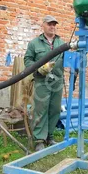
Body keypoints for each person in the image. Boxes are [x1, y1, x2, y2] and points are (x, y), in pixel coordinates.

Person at [24, 15, 65, 151]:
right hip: (42, 81)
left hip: (57, 81)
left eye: (54, 24)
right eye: (49, 24)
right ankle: (39, 140)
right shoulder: (35, 43)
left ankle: (50, 136)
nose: (52, 26)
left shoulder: (61, 43)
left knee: (55, 109)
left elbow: (67, 59)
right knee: (41, 110)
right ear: (43, 25)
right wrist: (38, 69)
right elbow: (28, 60)